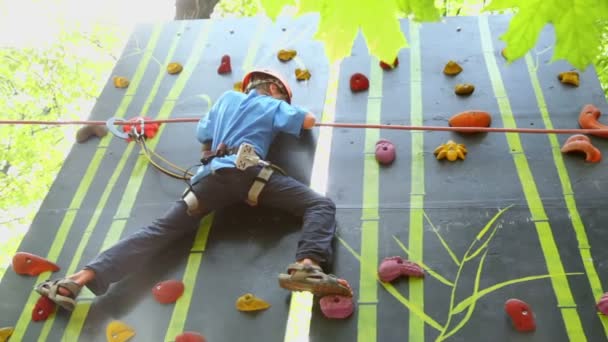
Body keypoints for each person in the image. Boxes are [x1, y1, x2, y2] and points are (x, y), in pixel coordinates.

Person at [34, 69, 353, 312]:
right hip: (246, 166)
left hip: (207, 179)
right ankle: (308, 268)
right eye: (282, 95)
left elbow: (204, 132)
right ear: (273, 88)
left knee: (157, 232)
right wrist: (284, 111)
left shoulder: (227, 100)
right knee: (319, 206)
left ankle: (73, 282)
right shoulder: (270, 102)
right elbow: (308, 121)